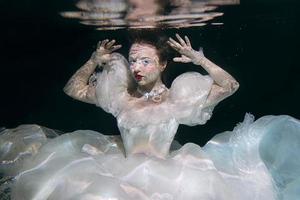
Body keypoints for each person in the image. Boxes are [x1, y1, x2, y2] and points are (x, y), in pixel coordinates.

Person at [1, 33, 300, 200]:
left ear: (162, 64)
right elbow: (73, 89)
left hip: (168, 176)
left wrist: (199, 59)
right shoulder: (120, 97)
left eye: (145, 61)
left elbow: (230, 86)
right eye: (133, 60)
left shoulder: (178, 98)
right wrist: (94, 61)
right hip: (120, 170)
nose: (137, 67)